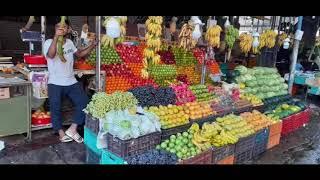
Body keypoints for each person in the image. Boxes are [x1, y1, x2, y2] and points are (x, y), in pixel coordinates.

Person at [43, 20, 97, 143]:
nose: (61, 29)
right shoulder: (49, 42)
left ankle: (73, 129)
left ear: (68, 30)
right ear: (55, 29)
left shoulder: (69, 43)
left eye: (64, 27)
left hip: (71, 81)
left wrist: (92, 45)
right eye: (58, 27)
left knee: (85, 103)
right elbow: (51, 55)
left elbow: (79, 54)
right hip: (55, 82)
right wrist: (56, 37)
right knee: (55, 108)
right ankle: (61, 132)